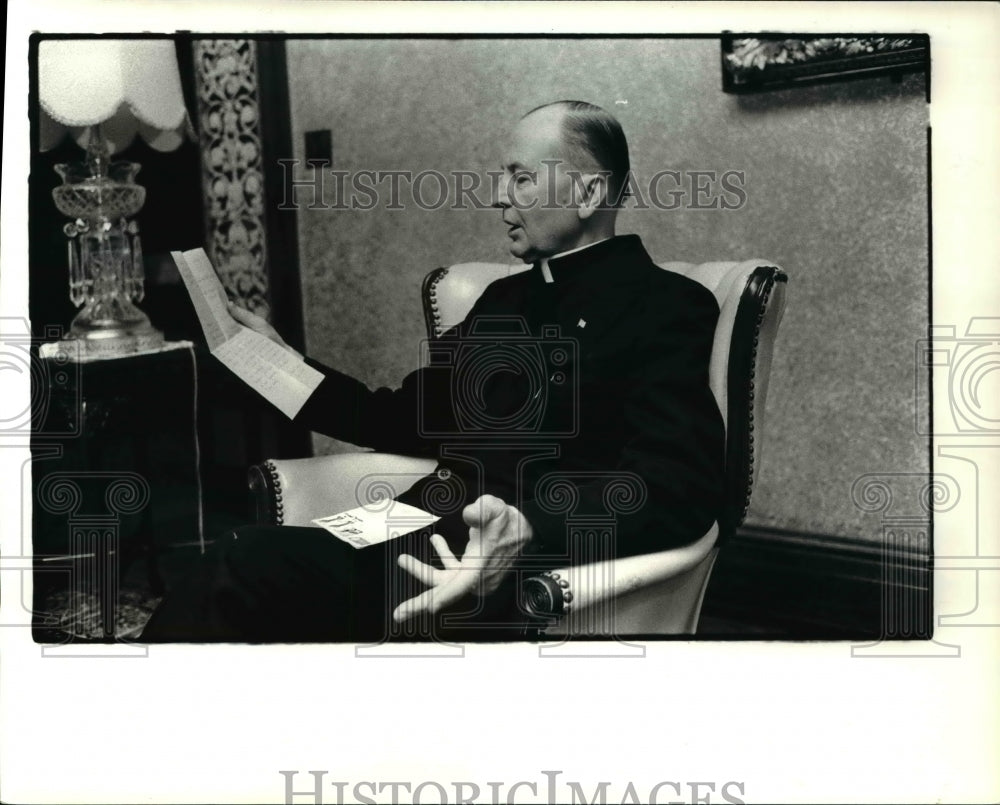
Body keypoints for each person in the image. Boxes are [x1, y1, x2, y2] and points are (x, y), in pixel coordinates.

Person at [141, 100, 725, 642]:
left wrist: (532, 524)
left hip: (498, 567)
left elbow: (674, 487)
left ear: (589, 192)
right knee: (243, 553)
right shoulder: (501, 300)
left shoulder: (666, 305)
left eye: (520, 178)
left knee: (237, 568)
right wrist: (281, 362)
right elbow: (399, 415)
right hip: (412, 521)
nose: (500, 196)